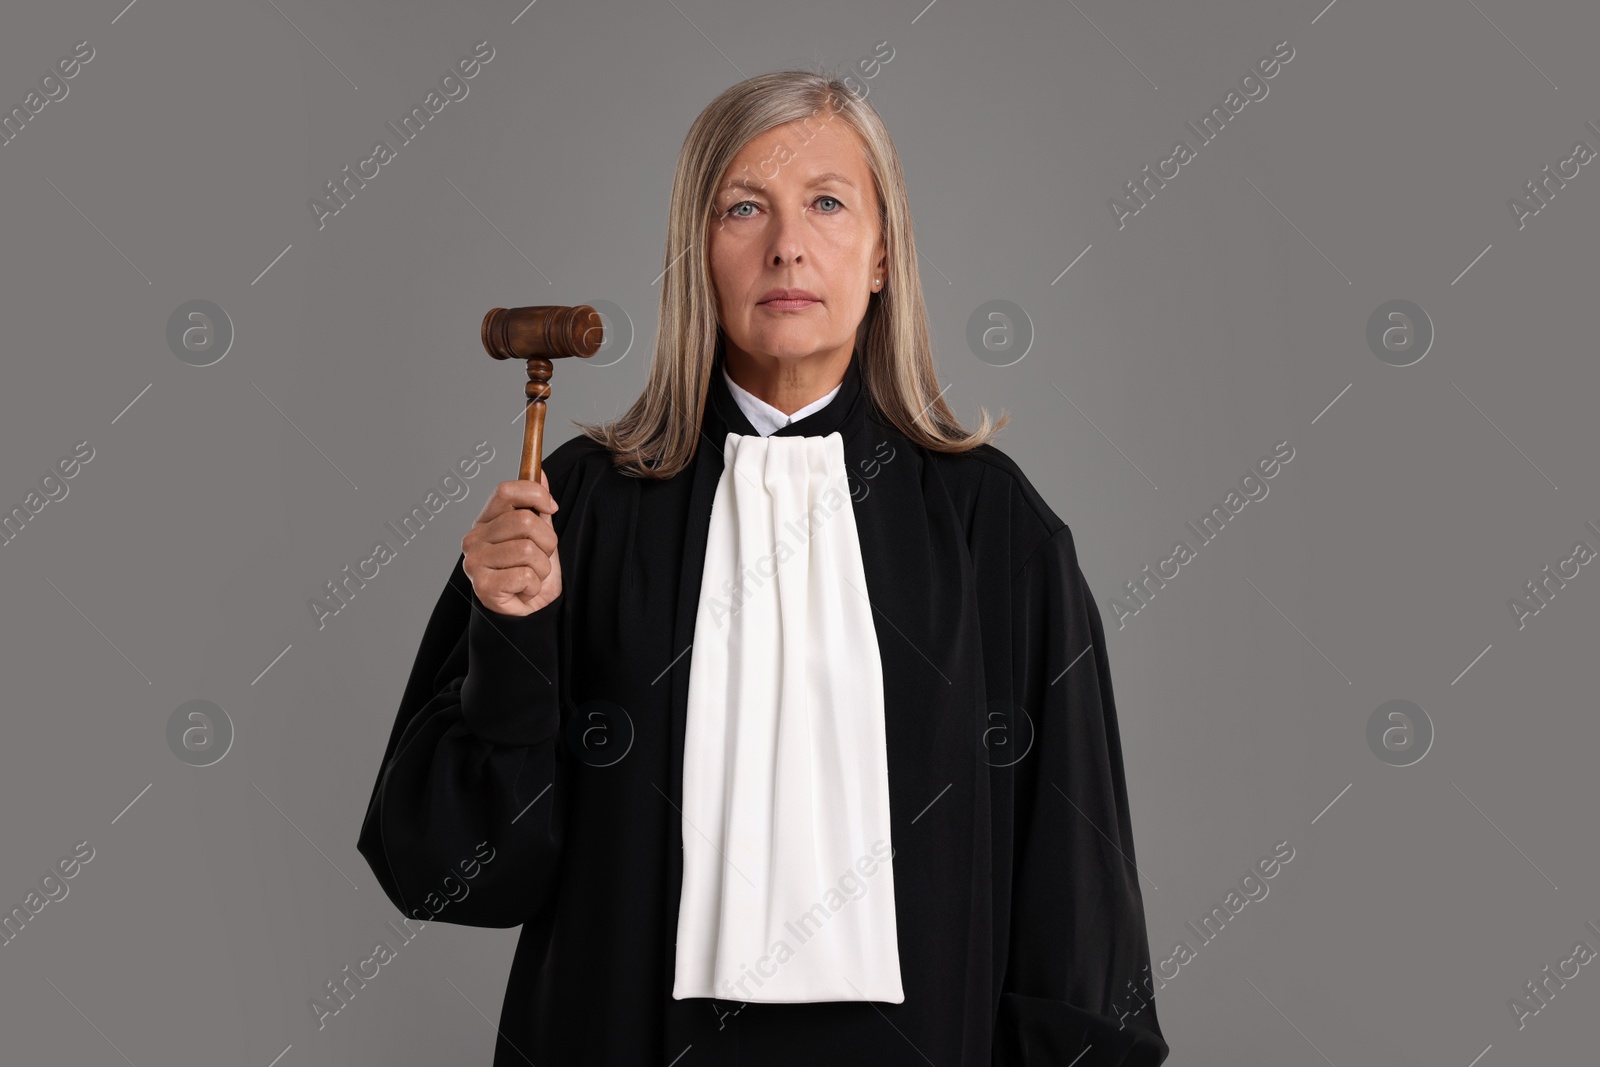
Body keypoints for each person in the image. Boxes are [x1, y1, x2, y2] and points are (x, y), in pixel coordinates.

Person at [357, 69, 1170, 1066]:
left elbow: (1072, 883)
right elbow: (460, 875)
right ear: (697, 252)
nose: (787, 243)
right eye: (744, 207)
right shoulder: (578, 507)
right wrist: (510, 635)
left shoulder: (992, 529)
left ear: (881, 255)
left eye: (827, 203)